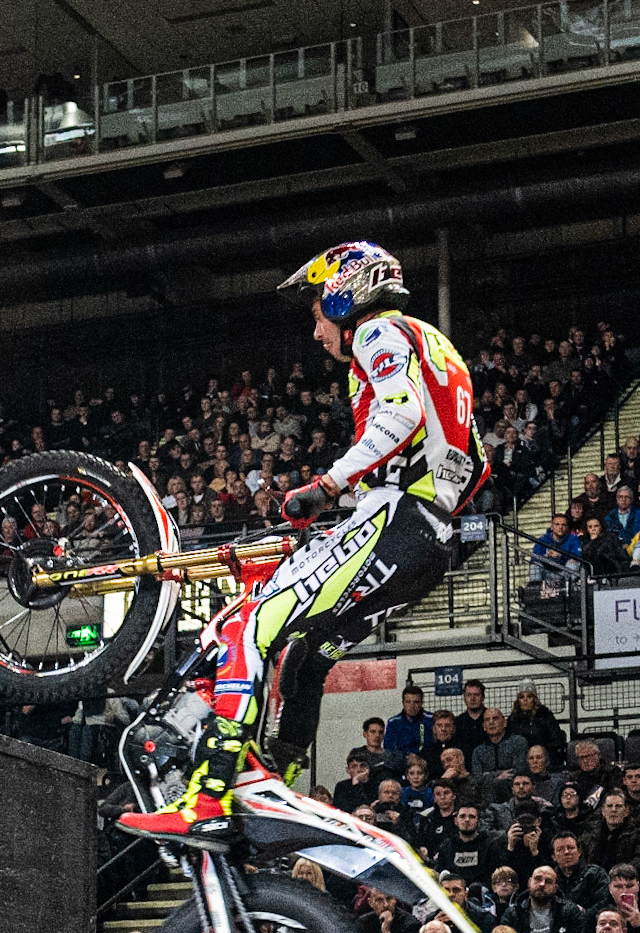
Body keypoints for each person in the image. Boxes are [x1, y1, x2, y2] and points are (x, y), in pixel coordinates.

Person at [119, 243, 488, 841]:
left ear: (347, 292)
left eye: (317, 312)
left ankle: (207, 796)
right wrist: (351, 501)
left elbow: (398, 420)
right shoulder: (432, 342)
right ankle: (279, 777)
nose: (317, 331)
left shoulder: (376, 333)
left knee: (250, 628)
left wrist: (326, 486)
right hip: (431, 543)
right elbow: (463, 458)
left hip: (397, 521)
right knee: (310, 653)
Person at [502, 865, 591, 933]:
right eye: (537, 879)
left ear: (555, 888)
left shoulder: (569, 911)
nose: (542, 884)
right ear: (529, 882)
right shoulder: (514, 912)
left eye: (548, 881)